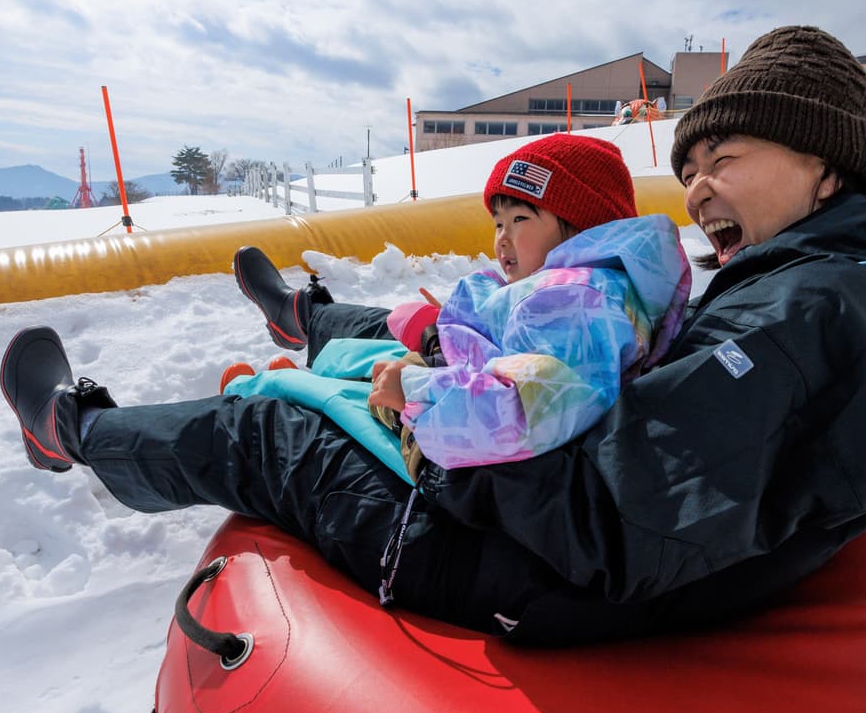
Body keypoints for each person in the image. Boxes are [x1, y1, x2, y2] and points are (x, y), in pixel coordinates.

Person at [1, 25, 866, 645]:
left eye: (724, 156)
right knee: (445, 339)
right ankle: (314, 319)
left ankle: (71, 434)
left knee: (264, 432)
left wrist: (427, 430)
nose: (697, 188)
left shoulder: (790, 316)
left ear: (827, 169)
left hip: (536, 578)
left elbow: (610, 523)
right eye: (688, 166)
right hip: (624, 549)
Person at [223, 133, 689, 485]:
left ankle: (264, 384)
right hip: (462, 383)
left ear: (581, 229)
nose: (502, 238)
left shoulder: (577, 302)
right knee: (383, 346)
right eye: (498, 222)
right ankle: (299, 330)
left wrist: (418, 387)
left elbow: (523, 408)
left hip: (456, 434)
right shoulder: (574, 288)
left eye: (521, 219)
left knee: (357, 387)